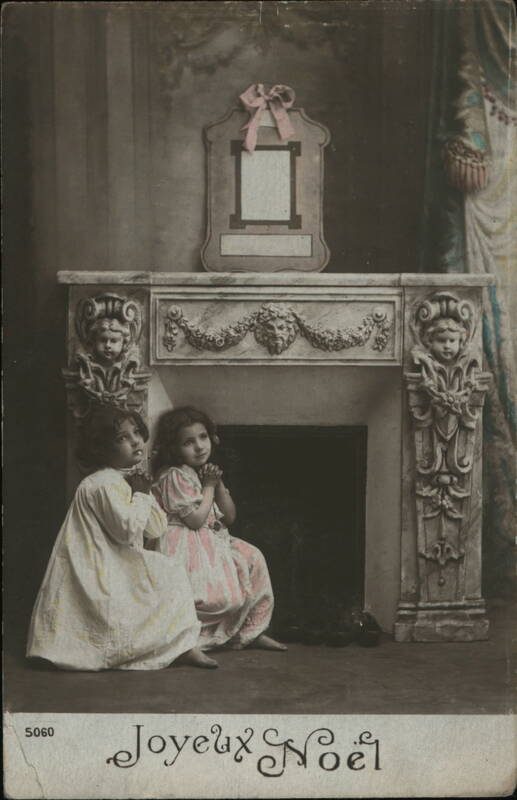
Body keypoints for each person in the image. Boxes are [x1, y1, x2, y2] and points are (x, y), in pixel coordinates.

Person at [27, 405, 218, 670]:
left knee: (170, 569)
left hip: (116, 559)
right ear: (101, 449)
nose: (135, 441)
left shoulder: (123, 479)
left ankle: (184, 645)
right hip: (97, 567)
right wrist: (139, 494)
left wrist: (146, 493)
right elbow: (127, 531)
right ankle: (178, 646)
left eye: (136, 433)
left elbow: (155, 529)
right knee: (166, 573)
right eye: (122, 438)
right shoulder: (102, 483)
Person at [152, 406, 286, 656]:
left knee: (254, 558)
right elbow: (194, 520)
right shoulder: (173, 476)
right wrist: (209, 487)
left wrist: (218, 483)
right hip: (186, 542)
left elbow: (230, 516)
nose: (199, 446)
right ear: (174, 448)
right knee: (216, 596)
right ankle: (188, 644)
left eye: (203, 437)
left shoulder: (201, 472)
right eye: (188, 442)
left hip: (211, 538)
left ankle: (251, 632)